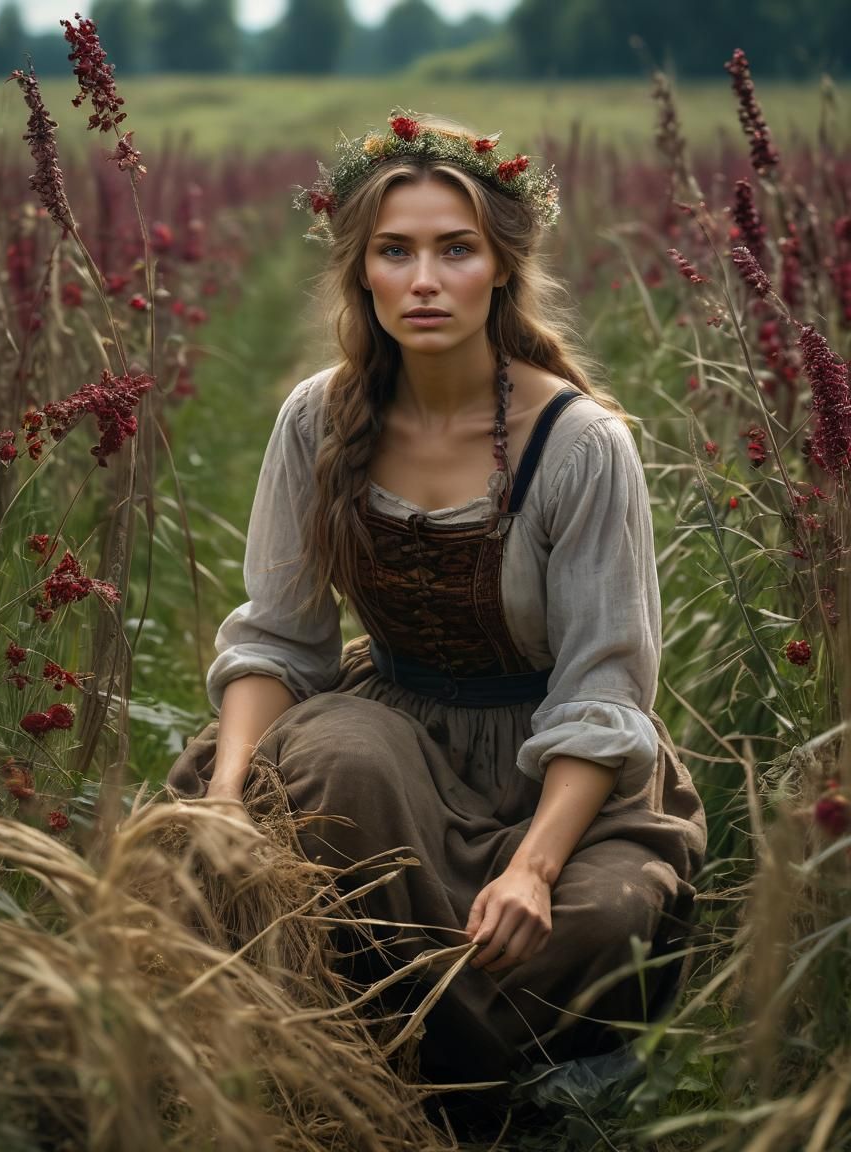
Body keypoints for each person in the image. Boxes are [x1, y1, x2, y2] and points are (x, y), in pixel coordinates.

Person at [167, 112, 707, 1088]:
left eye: (455, 249)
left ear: (500, 267)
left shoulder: (579, 445)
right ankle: (481, 1057)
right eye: (395, 251)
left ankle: (369, 1041)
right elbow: (278, 641)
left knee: (607, 914)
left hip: (554, 769)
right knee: (333, 757)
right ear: (360, 272)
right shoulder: (316, 419)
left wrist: (531, 869)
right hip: (387, 746)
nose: (424, 280)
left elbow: (603, 691)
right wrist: (224, 799)